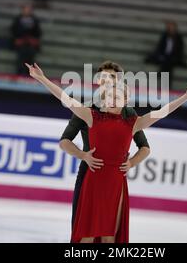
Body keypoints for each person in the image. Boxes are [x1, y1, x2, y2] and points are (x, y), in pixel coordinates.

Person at [24, 62, 187, 243]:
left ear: (126, 100)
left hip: (116, 180)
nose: (112, 97)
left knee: (110, 236)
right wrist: (41, 78)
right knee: (87, 234)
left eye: (117, 95)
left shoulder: (133, 122)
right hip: (92, 178)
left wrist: (185, 97)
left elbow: (162, 112)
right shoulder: (90, 115)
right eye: (109, 95)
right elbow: (64, 97)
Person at [59, 61, 151, 240]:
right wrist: (83, 155)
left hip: (113, 177)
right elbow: (64, 141)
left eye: (112, 78)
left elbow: (145, 148)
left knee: (109, 234)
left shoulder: (128, 112)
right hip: (89, 172)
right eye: (103, 77)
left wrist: (131, 162)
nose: (106, 81)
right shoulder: (87, 109)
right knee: (83, 231)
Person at [145, 21, 187, 89]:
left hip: (174, 58)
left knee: (168, 63)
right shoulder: (164, 36)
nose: (170, 29)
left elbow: (180, 51)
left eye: (172, 27)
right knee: (163, 61)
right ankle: (163, 79)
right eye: (169, 27)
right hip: (164, 57)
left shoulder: (178, 38)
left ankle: (161, 75)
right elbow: (159, 47)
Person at [11, 4, 41, 76]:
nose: (27, 11)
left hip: (31, 43)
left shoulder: (34, 20)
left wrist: (30, 35)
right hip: (21, 43)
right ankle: (19, 73)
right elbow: (13, 30)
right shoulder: (18, 19)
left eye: (29, 10)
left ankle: (29, 74)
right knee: (21, 58)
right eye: (26, 10)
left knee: (30, 57)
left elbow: (38, 32)